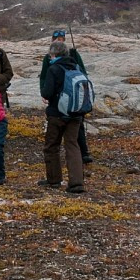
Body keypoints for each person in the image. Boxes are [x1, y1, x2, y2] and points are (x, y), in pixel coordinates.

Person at [39, 29, 93, 163]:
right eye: (57, 38)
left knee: (73, 128)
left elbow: (83, 71)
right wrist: (43, 91)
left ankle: (84, 152)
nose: (59, 40)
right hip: (67, 97)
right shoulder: (49, 58)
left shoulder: (73, 54)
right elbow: (44, 76)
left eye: (61, 38)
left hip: (71, 97)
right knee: (75, 127)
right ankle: (79, 157)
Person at [39, 41, 85, 193]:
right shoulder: (75, 66)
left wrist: (46, 96)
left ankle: (54, 180)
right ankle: (77, 182)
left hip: (57, 114)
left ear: (54, 54)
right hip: (76, 114)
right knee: (72, 145)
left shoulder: (54, 69)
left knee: (52, 146)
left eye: (50, 55)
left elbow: (47, 93)